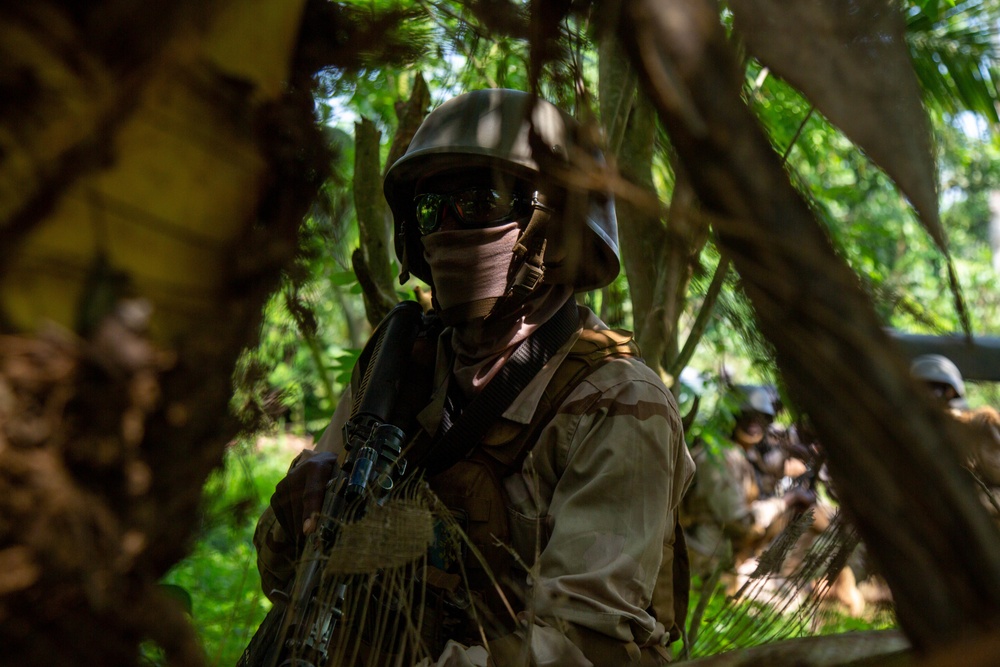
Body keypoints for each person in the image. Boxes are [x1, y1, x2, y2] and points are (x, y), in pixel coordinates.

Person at [253, 89, 695, 666]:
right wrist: (297, 519)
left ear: (557, 231)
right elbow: (284, 575)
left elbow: (585, 646)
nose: (449, 228)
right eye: (431, 210)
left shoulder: (618, 402)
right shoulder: (400, 363)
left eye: (481, 201)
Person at [682, 385, 814, 580]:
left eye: (760, 418)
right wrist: (787, 500)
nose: (753, 424)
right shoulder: (720, 456)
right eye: (747, 415)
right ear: (732, 417)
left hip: (714, 557)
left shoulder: (735, 453)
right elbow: (740, 521)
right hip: (700, 562)